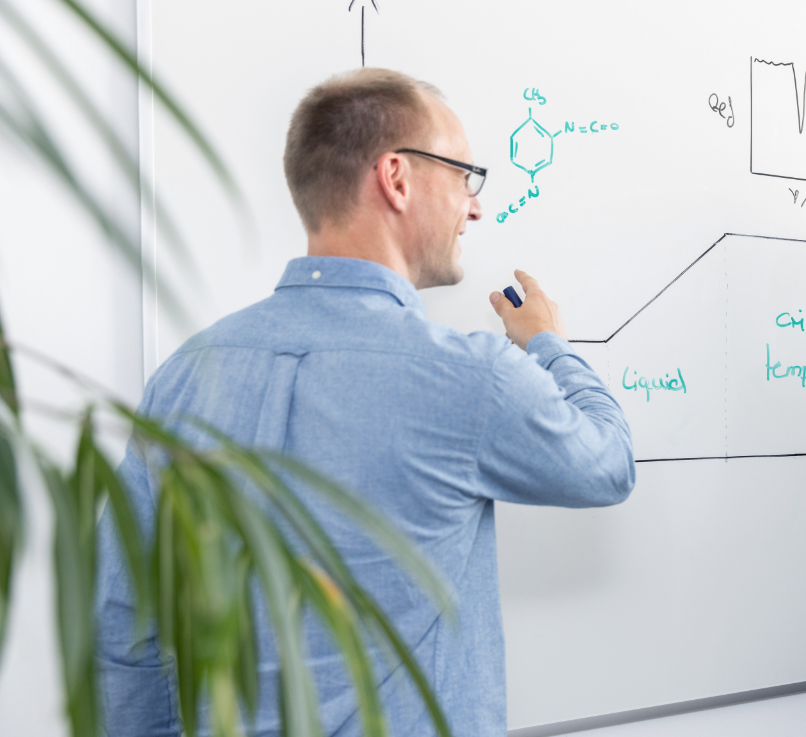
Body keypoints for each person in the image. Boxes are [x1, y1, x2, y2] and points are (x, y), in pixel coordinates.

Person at [95, 69, 636, 737]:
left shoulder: (183, 377)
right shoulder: (471, 378)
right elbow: (607, 464)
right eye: (466, 177)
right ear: (396, 178)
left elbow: (124, 627)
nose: (475, 208)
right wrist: (549, 343)